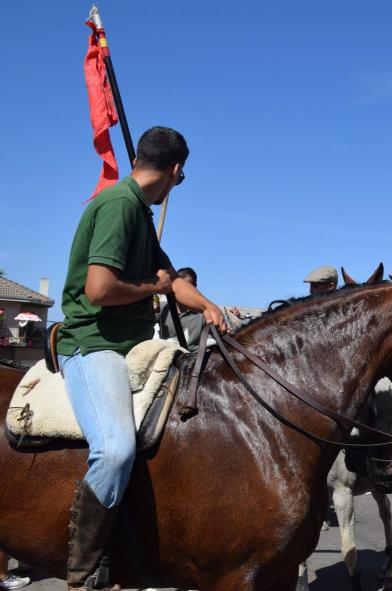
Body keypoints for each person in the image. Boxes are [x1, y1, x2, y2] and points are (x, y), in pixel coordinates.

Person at [56, 126, 227, 591]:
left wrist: (207, 305)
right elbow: (99, 289)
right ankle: (85, 573)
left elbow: (172, 279)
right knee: (115, 450)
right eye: (181, 178)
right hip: (94, 343)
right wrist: (153, 287)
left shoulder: (139, 212)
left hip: (135, 343)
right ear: (175, 170)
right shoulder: (118, 205)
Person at [158, 267, 205, 352]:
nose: (182, 292)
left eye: (187, 288)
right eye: (179, 288)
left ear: (194, 288)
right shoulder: (162, 308)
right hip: (167, 356)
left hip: (194, 358)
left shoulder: (203, 313)